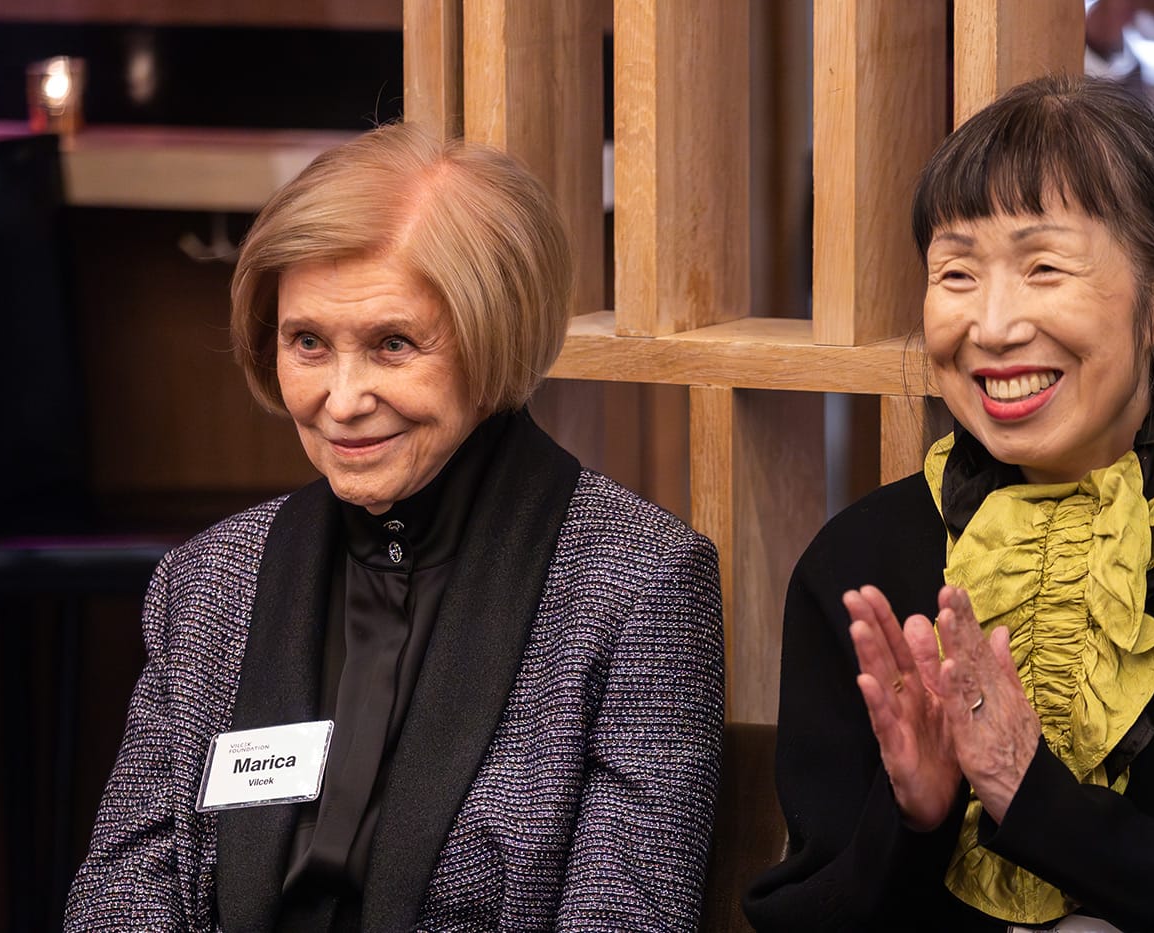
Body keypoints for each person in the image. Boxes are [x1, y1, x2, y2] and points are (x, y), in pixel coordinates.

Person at [745, 74, 1154, 931]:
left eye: (1044, 267)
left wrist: (1032, 796)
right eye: (956, 272)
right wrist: (914, 820)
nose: (995, 326)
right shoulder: (858, 563)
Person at [64, 123, 724, 932]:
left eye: (392, 345)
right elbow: (118, 899)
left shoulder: (637, 584)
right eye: (307, 342)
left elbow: (623, 915)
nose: (342, 400)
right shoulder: (206, 582)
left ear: (496, 336)